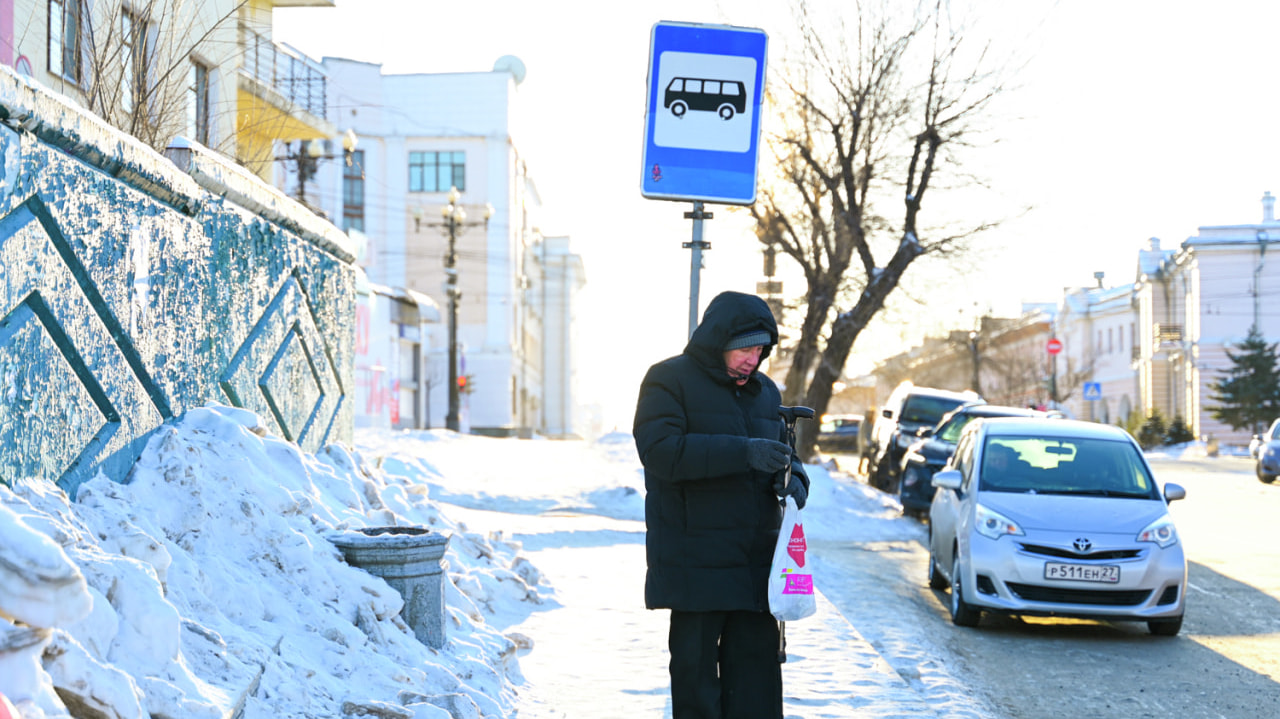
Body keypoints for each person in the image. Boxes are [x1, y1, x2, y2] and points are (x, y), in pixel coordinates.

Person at [632, 290, 809, 719]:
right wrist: (743, 452)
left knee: (756, 684)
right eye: (745, 348)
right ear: (718, 340)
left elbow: (785, 453)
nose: (754, 358)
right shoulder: (668, 380)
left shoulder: (766, 392)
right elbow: (661, 451)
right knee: (696, 686)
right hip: (696, 566)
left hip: (754, 568)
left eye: (760, 349)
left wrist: (797, 480)